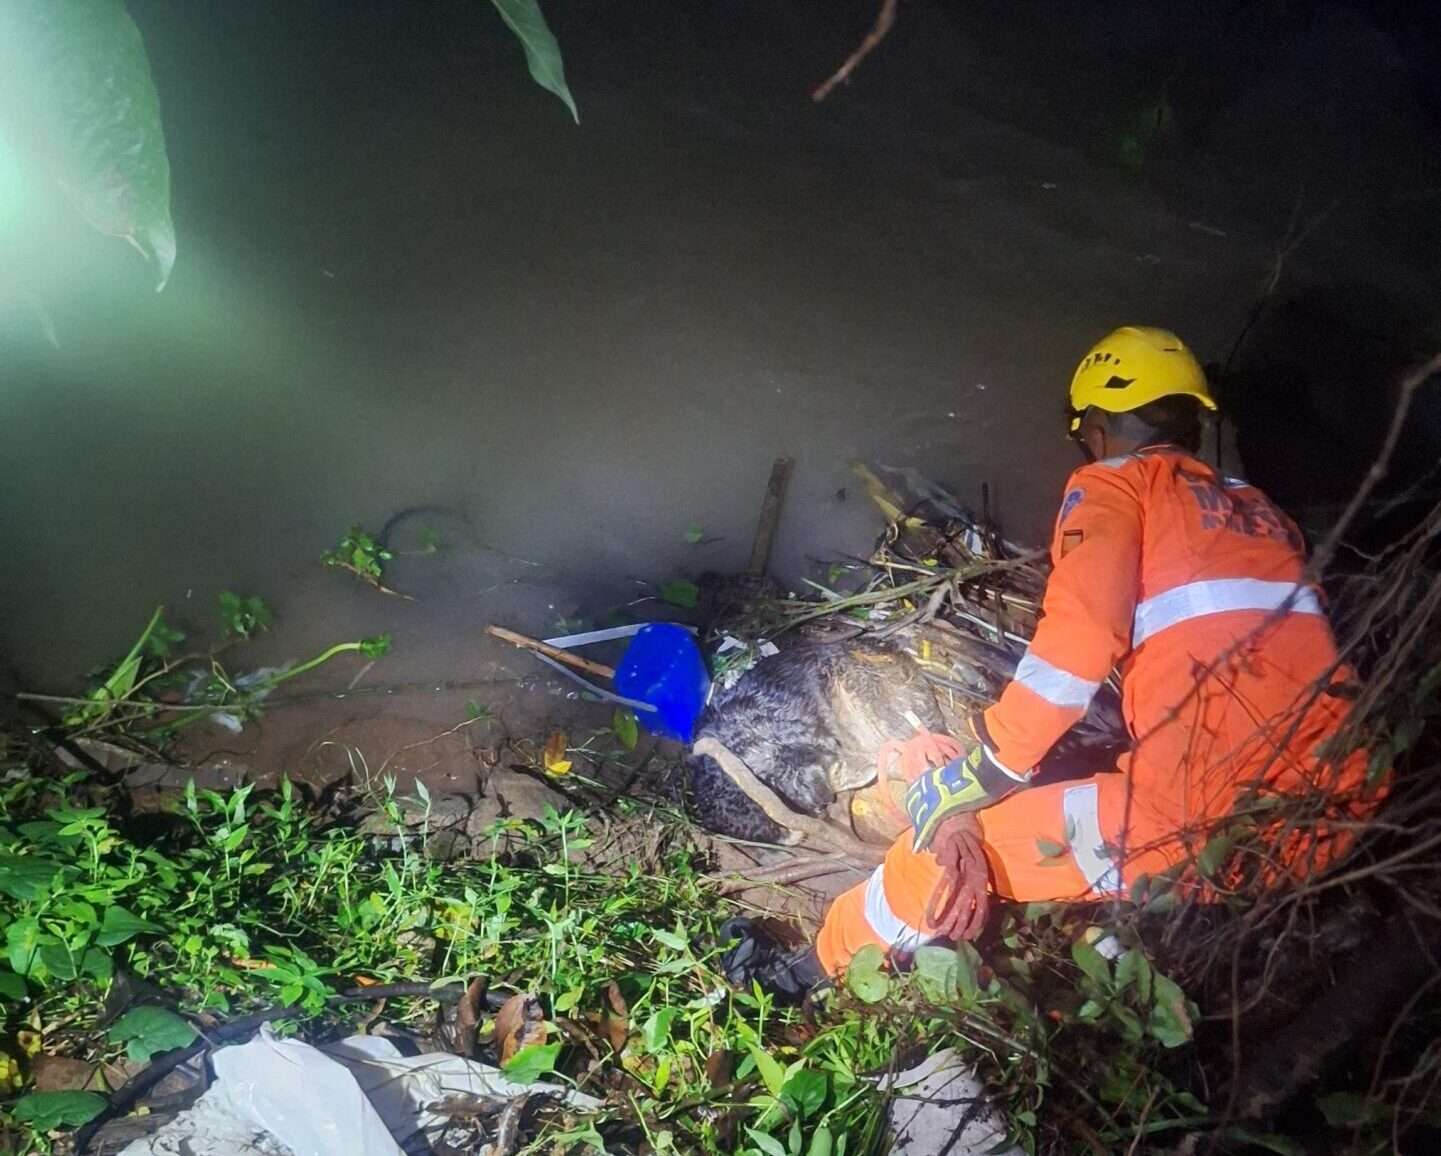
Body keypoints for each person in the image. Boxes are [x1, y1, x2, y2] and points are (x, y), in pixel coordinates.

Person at [722, 326, 1371, 999]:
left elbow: (1078, 645)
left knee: (926, 860)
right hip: (1342, 804)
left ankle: (798, 977)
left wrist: (985, 768)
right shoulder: (1256, 508)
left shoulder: (1112, 485)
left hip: (1207, 825)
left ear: (1095, 423)